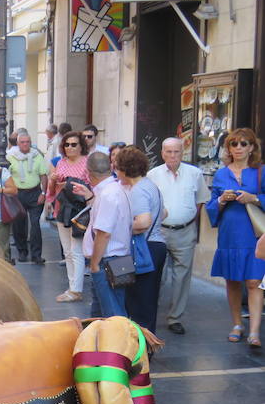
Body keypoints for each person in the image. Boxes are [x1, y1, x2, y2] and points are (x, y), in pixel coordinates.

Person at [205, 128, 265, 347]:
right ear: (228, 148)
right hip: (230, 234)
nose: (238, 147)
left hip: (254, 235)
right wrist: (221, 200)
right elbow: (211, 206)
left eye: (243, 143)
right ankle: (237, 324)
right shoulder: (221, 174)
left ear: (251, 148)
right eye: (234, 144)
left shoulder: (261, 171)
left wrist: (255, 198)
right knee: (232, 281)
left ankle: (255, 331)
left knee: (254, 282)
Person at [148, 137, 209, 334]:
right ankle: (150, 312)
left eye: (177, 152)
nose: (173, 156)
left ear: (182, 153)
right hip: (160, 231)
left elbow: (200, 201)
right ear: (162, 153)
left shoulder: (195, 173)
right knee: (158, 274)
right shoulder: (152, 175)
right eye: (169, 152)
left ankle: (175, 317)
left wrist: (189, 221)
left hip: (185, 231)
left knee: (182, 277)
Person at [73, 151, 132, 318]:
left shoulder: (107, 194)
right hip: (120, 258)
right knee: (104, 310)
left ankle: (118, 344)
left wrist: (94, 264)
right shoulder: (116, 189)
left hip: (108, 260)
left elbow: (103, 233)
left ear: (88, 173)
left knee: (112, 313)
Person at [118, 145, 167, 334]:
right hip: (155, 246)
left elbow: (144, 221)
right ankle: (147, 345)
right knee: (147, 301)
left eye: (117, 167)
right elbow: (164, 213)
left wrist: (120, 227)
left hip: (143, 248)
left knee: (138, 303)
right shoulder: (150, 185)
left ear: (125, 169)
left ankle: (142, 348)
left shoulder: (138, 190)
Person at [46, 131, 90, 302]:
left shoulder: (87, 163)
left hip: (79, 211)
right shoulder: (61, 163)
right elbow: (52, 189)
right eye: (67, 144)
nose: (70, 147)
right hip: (61, 209)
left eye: (74, 144)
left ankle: (76, 290)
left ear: (81, 146)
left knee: (76, 250)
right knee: (67, 251)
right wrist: (52, 181)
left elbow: (91, 186)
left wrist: (70, 184)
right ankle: (73, 287)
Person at [7, 132, 48, 264]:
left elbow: (43, 176)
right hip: (17, 193)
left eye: (27, 142)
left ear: (30, 143)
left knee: (35, 224)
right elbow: (6, 175)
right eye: (22, 142)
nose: (25, 144)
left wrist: (43, 193)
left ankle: (36, 255)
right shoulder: (11, 157)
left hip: (35, 192)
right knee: (19, 224)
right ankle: (22, 251)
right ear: (18, 144)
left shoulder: (37, 156)